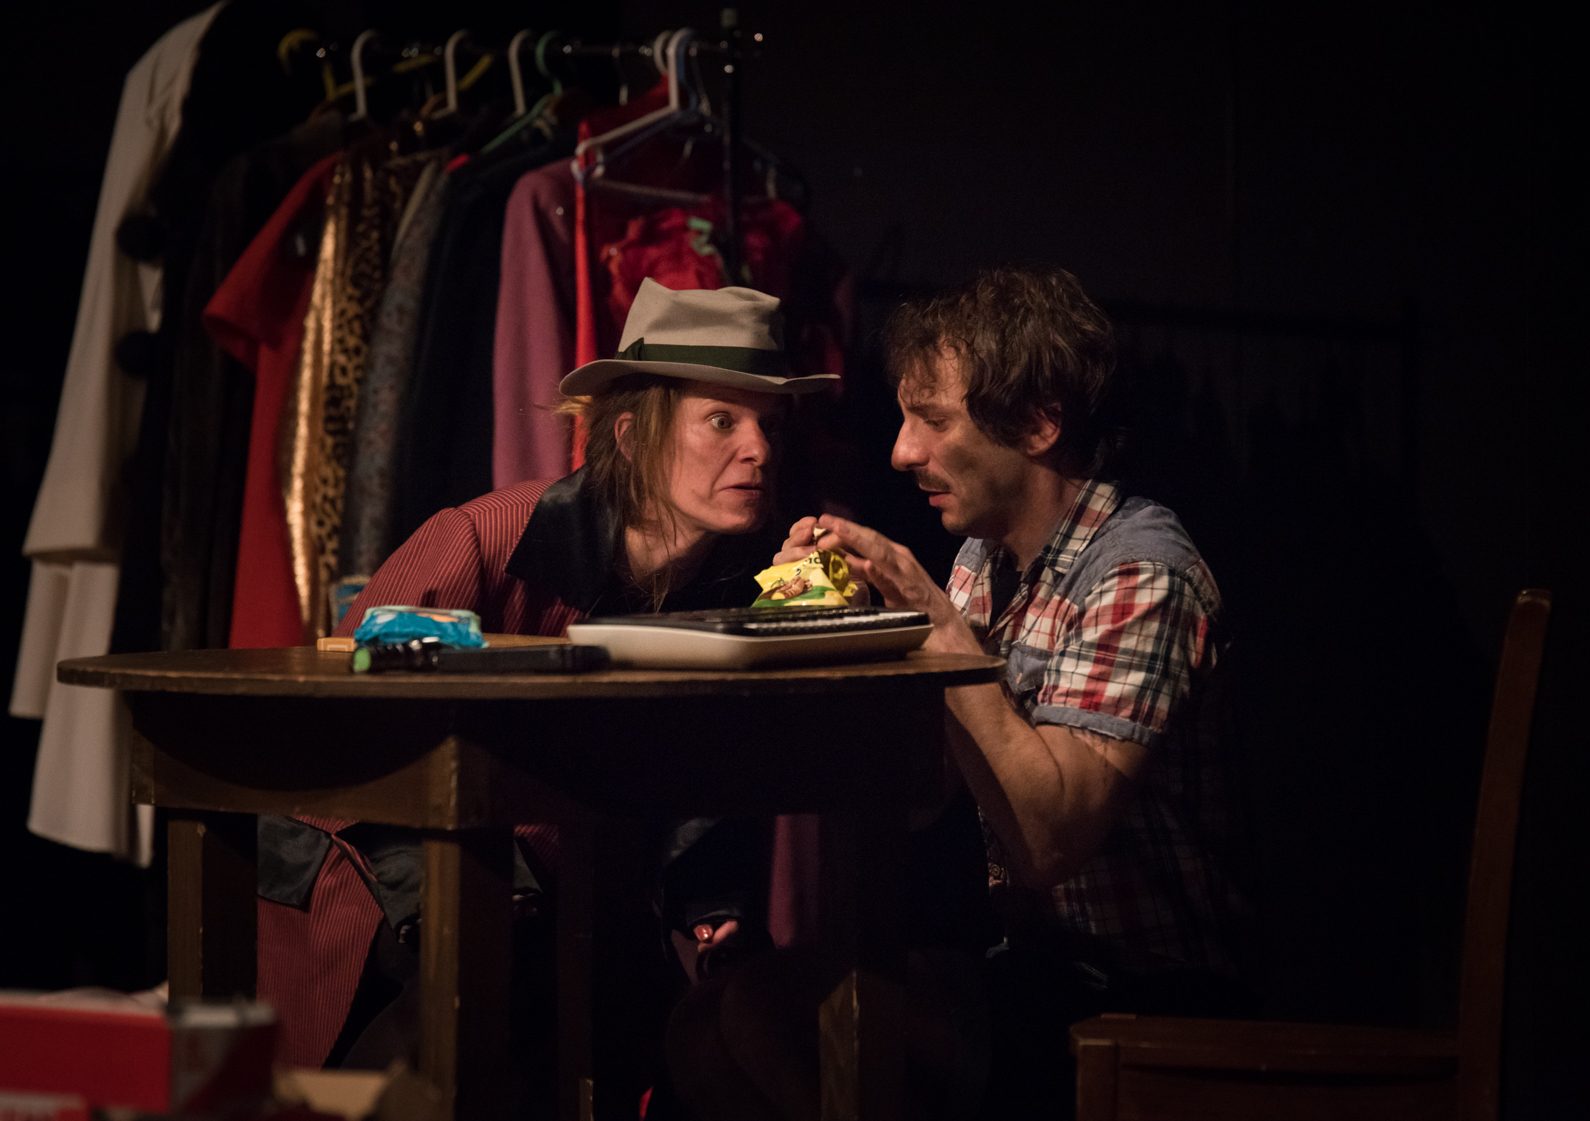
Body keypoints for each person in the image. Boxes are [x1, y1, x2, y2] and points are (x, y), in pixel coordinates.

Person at [669, 264, 1251, 1120]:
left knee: (772, 1013)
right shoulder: (988, 558)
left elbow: (1048, 841)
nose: (902, 452)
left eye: (933, 420)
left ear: (1040, 423)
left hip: (1147, 994)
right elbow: (920, 794)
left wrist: (931, 620)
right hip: (1032, 974)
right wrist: (849, 626)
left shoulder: (1142, 573)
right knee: (702, 1023)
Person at [253, 279, 839, 1111]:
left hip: (584, 905)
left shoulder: (750, 574)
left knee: (724, 1031)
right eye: (722, 421)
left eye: (769, 426)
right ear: (631, 436)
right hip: (401, 882)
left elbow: (722, 775)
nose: (759, 449)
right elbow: (340, 729)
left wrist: (809, 603)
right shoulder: (485, 538)